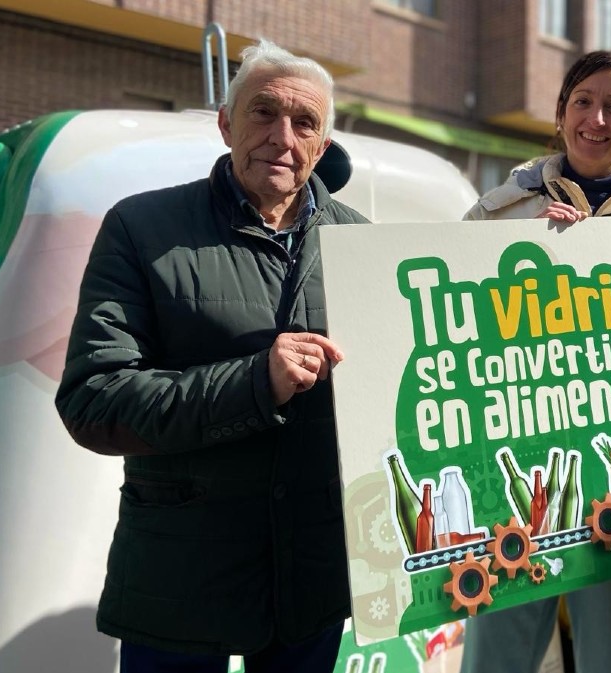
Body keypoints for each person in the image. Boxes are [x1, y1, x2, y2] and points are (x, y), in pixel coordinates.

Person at [55, 39, 367, 673]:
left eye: (304, 122)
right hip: (179, 583)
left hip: (312, 584)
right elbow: (93, 401)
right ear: (225, 124)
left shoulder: (361, 242)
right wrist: (257, 382)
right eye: (263, 112)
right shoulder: (141, 228)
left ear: (323, 145)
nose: (282, 136)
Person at [459, 50, 611, 673]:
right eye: (583, 101)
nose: (597, 118)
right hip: (512, 474)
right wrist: (527, 248)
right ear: (560, 115)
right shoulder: (500, 212)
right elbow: (453, 325)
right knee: (496, 655)